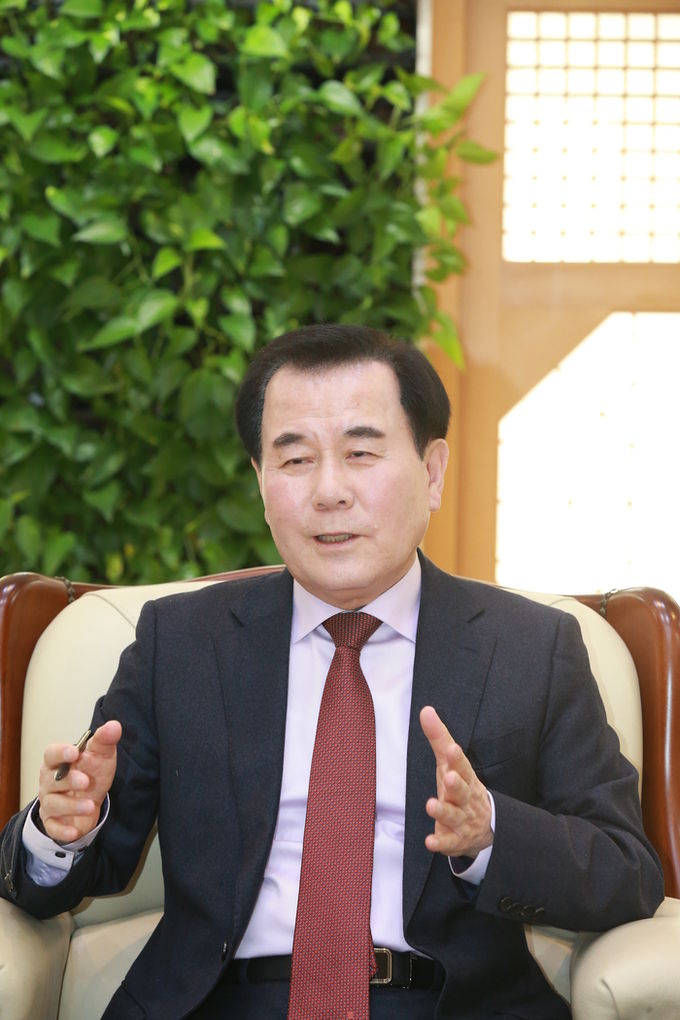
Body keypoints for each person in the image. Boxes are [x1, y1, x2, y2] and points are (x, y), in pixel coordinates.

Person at [0, 323, 664, 1020]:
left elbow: (627, 871)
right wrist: (61, 830)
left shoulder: (531, 647)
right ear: (261, 483)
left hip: (450, 1005)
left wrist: (491, 834)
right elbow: (64, 875)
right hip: (225, 1004)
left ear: (432, 472)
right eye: (294, 460)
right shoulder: (182, 644)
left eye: (361, 453)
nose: (329, 491)